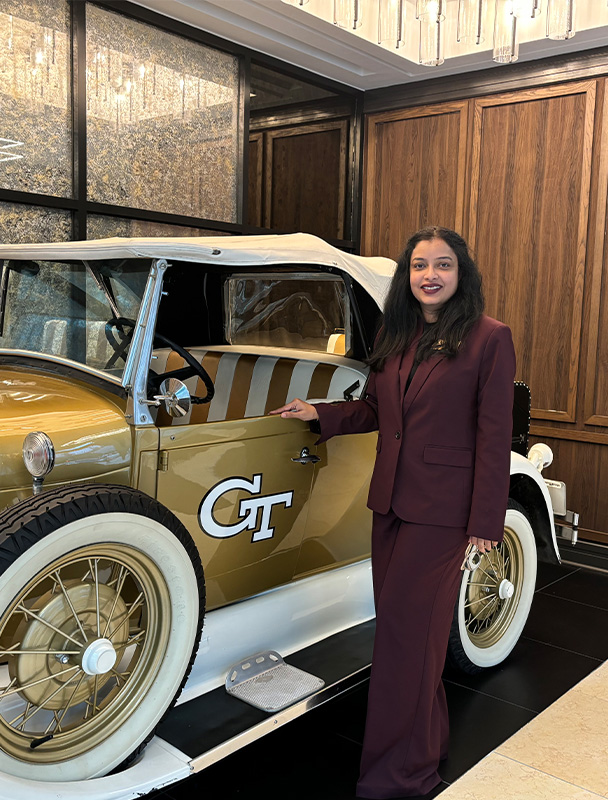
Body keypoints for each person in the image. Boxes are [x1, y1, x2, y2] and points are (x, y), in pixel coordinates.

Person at [270, 226, 515, 799]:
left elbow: (494, 434)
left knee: (406, 642)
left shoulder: (489, 338)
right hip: (391, 505)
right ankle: (423, 748)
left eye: (444, 265)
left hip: (443, 515)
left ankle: (399, 778)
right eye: (420, 265)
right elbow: (376, 411)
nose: (430, 275)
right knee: (411, 640)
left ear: (462, 274)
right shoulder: (395, 332)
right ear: (408, 276)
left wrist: (486, 522)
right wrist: (321, 413)